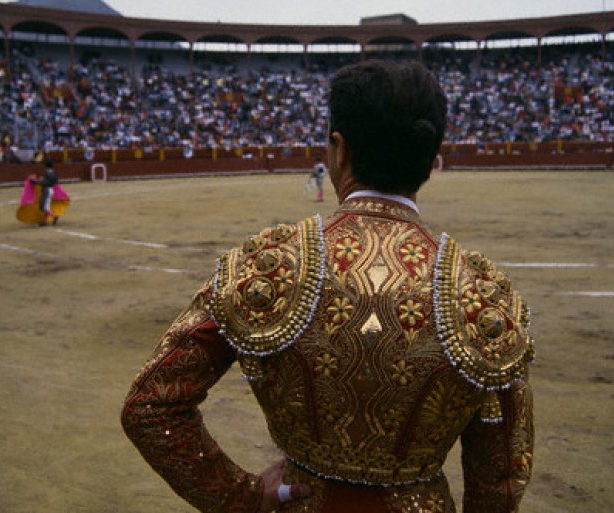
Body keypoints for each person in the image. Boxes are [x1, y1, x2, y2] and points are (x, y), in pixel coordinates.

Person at [121, 60, 535, 513]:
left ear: (338, 149)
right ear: (432, 157)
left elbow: (150, 406)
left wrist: (240, 496)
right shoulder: (483, 297)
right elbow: (500, 481)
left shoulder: (270, 266)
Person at [16, 160, 69, 226]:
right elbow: (53, 182)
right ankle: (44, 221)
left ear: (46, 166)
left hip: (46, 190)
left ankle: (54, 216)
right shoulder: (53, 173)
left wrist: (35, 181)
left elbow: (44, 182)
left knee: (44, 207)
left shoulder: (48, 173)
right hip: (51, 190)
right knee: (46, 206)